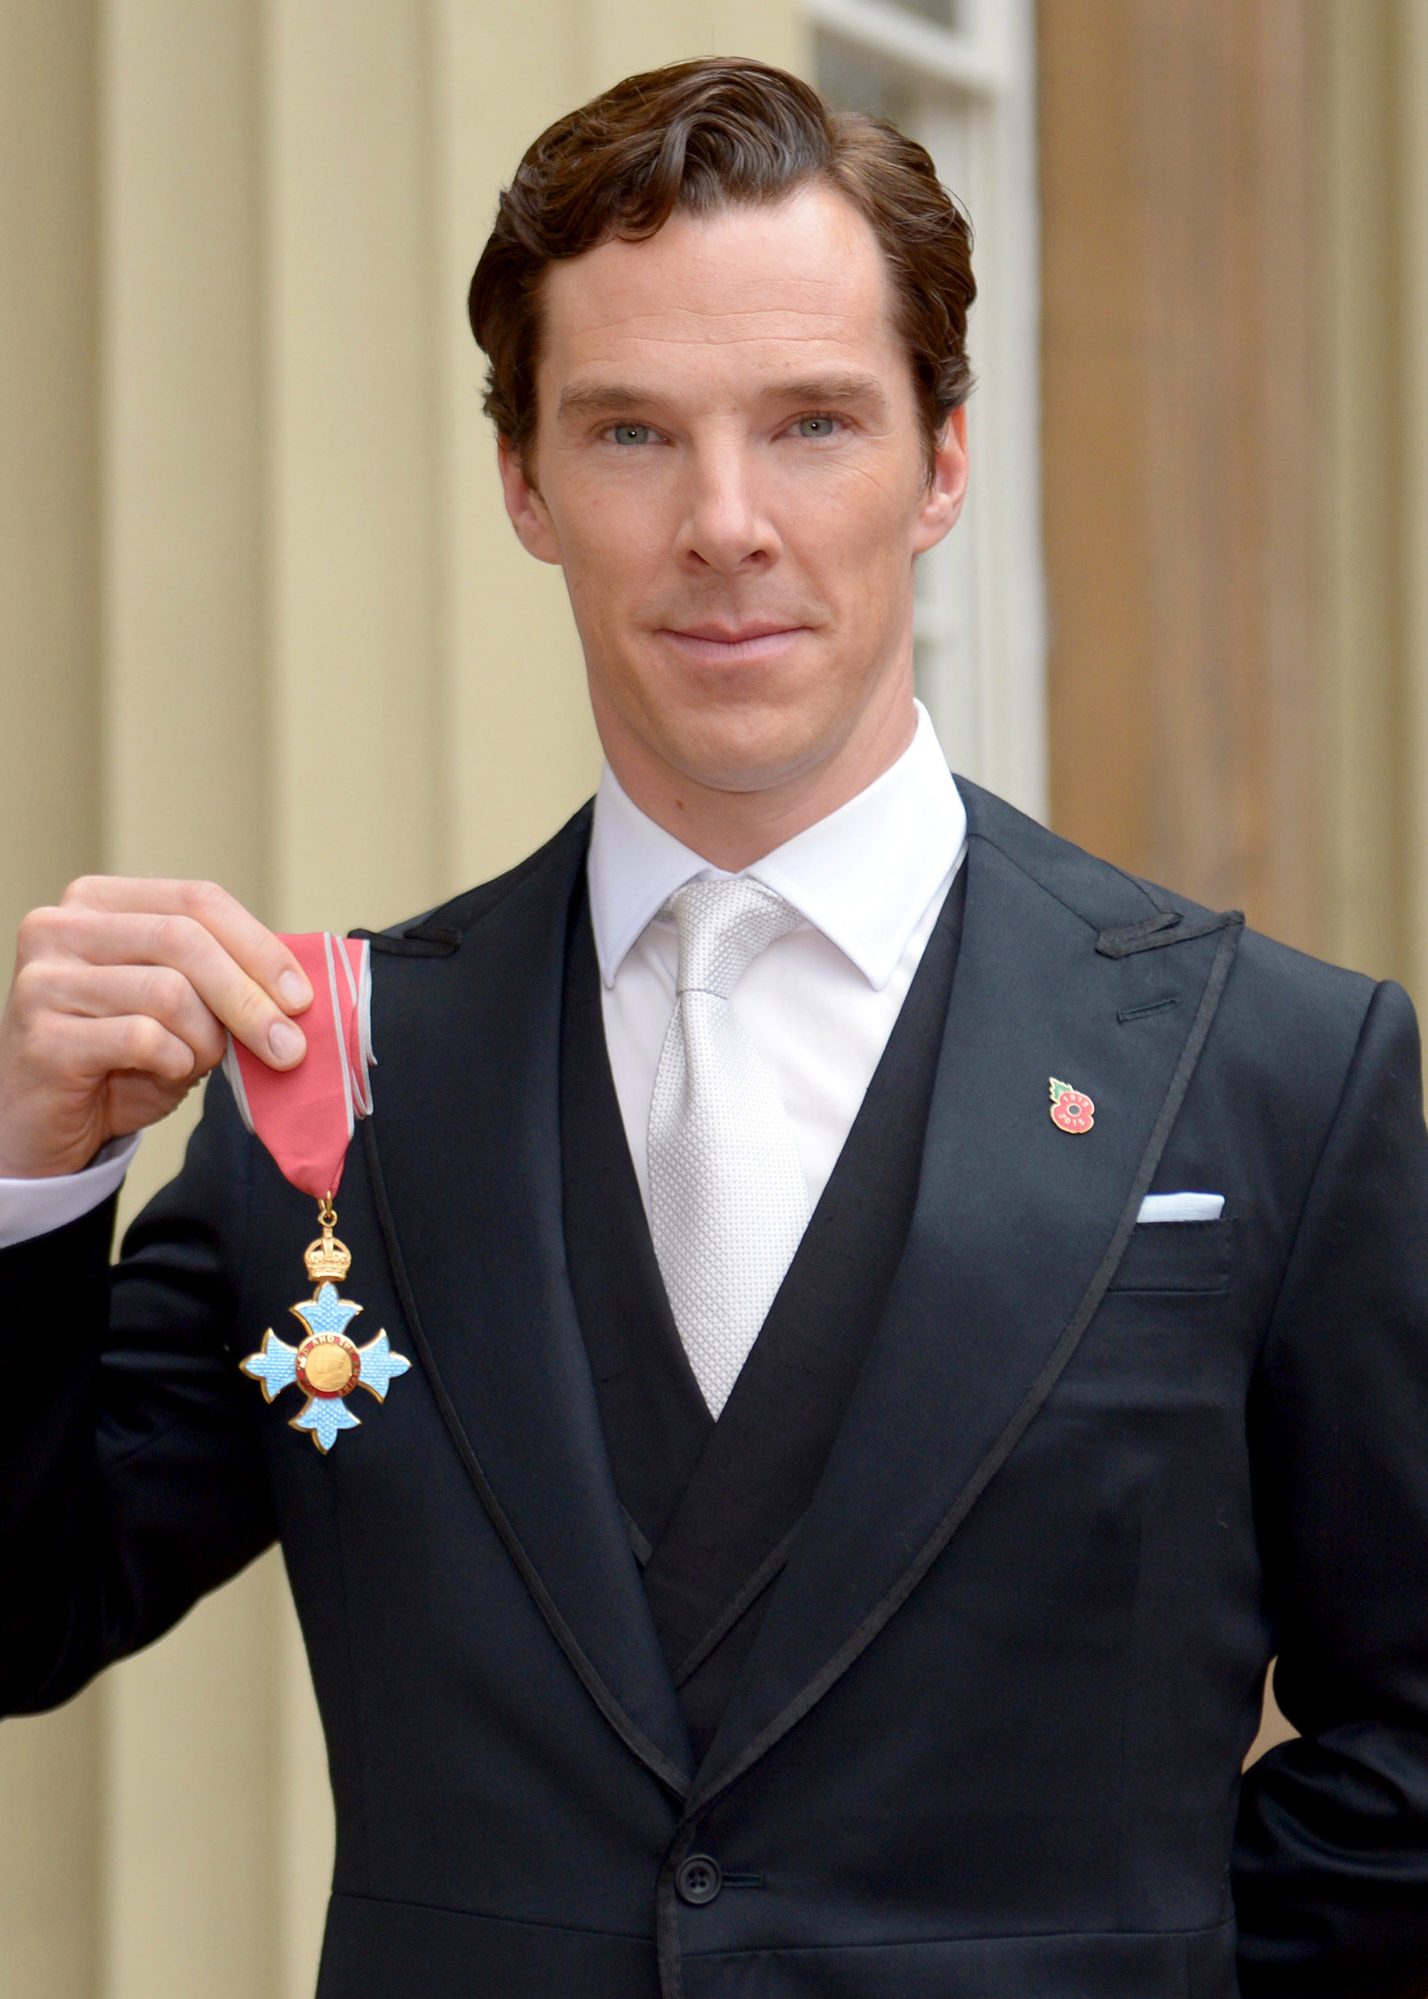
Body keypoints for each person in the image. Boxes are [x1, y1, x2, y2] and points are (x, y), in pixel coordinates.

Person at [1, 55, 1426, 1999]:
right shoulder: (333, 1086)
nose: (726, 524)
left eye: (814, 423)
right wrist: (28, 1169)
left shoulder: (1277, 1072)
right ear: (523, 481)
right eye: (632, 434)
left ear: (941, 464)